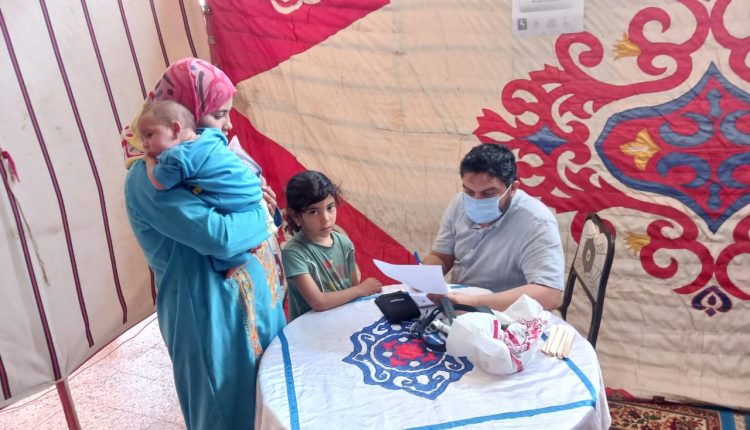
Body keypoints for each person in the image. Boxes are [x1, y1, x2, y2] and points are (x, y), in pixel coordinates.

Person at [122, 58, 286, 430]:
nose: (228, 125)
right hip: (211, 321)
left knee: (271, 407)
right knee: (227, 414)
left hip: (254, 309)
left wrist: (265, 210)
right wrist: (260, 213)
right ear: (182, 116)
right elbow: (222, 237)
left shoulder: (209, 157)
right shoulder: (148, 177)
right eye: (219, 114)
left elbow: (265, 215)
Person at [422, 143, 564, 311]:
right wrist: (424, 276)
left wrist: (474, 302)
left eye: (488, 194)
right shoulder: (459, 203)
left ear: (513, 189)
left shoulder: (536, 221)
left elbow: (550, 294)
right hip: (459, 306)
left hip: (507, 314)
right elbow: (442, 256)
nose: (476, 200)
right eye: (469, 192)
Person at [138, 99, 264, 278]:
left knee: (214, 207)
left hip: (237, 201)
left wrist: (150, 161)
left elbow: (160, 182)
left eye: (149, 135)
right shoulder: (208, 135)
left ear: (175, 129)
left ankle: (235, 259)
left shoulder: (177, 157)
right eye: (143, 138)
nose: (144, 144)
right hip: (253, 191)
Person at [281, 170, 383, 321]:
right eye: (313, 212)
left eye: (330, 207)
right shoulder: (294, 252)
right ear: (296, 216)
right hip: (308, 329)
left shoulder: (344, 242)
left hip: (341, 322)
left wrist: (357, 290)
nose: (326, 219)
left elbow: (351, 288)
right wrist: (361, 290)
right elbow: (318, 302)